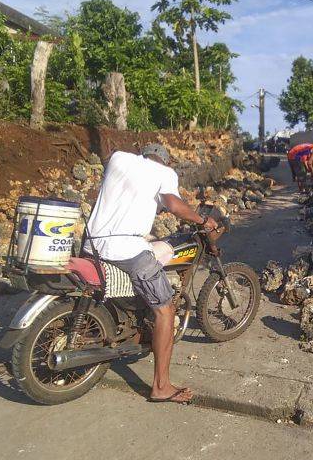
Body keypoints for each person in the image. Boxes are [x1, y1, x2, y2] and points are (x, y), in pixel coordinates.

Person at [85, 143, 218, 403]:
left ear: (143, 155)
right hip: (125, 249)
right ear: (165, 162)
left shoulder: (118, 159)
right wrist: (202, 220)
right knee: (165, 308)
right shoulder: (164, 174)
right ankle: (161, 386)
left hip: (92, 244)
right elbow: (172, 204)